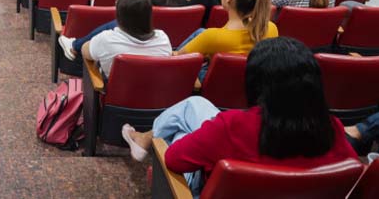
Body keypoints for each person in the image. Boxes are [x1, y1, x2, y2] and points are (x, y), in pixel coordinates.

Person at [122, 37, 358, 195]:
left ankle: (145, 139)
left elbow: (173, 159)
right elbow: (351, 174)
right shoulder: (332, 128)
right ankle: (146, 138)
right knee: (194, 107)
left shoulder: (233, 126)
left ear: (256, 84)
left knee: (183, 128)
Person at [177, 0, 277, 64]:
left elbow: (178, 58)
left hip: (216, 82)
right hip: (251, 80)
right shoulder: (271, 28)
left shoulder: (212, 37)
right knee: (200, 32)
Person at [79, 0, 172, 77]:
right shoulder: (163, 40)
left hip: (115, 92)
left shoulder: (106, 40)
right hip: (155, 92)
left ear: (119, 15)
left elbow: (84, 50)